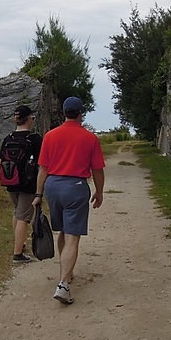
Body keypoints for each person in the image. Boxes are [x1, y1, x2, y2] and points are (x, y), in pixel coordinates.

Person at [32, 97, 105, 304]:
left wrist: (38, 195)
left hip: (53, 187)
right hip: (75, 187)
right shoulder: (90, 138)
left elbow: (43, 169)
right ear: (82, 113)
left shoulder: (50, 136)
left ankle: (65, 273)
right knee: (73, 237)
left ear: (64, 112)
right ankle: (63, 284)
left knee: (63, 231)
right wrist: (99, 192)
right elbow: (97, 170)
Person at [0, 105, 43, 264]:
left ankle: (20, 243)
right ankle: (18, 254)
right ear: (29, 118)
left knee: (17, 212)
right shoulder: (34, 139)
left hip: (11, 181)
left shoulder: (8, 138)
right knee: (23, 217)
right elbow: (44, 164)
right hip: (28, 183)